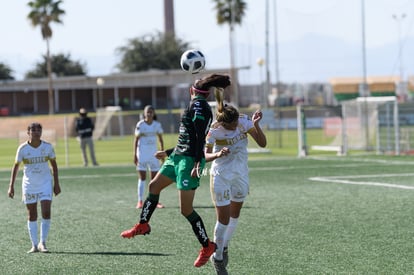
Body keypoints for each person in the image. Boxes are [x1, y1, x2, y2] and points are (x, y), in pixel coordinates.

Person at [120, 74, 231, 268]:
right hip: (178, 157)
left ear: (192, 91)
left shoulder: (198, 106)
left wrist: (198, 162)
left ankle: (207, 246)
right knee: (154, 186)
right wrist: (169, 152)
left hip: (188, 162)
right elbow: (188, 137)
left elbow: (198, 138)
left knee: (186, 210)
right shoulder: (198, 105)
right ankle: (143, 224)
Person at [204, 89, 267, 274]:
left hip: (241, 175)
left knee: (234, 216)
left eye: (235, 124)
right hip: (221, 175)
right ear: (222, 122)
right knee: (222, 220)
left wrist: (256, 125)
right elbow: (205, 155)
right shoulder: (214, 131)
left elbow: (262, 144)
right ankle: (217, 257)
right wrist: (217, 153)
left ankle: (223, 246)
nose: (234, 128)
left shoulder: (244, 121)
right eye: (230, 126)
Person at [8, 122, 61, 253]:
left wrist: (56, 184)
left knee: (46, 212)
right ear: (28, 133)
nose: (36, 132)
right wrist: (11, 186)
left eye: (39, 130)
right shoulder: (22, 149)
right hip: (29, 185)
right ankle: (34, 245)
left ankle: (43, 243)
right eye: (34, 130)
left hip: (45, 183)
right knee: (32, 215)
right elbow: (16, 167)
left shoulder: (48, 147)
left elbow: (54, 166)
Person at [134, 105, 165, 209]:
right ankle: (140, 201)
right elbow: (136, 140)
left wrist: (162, 152)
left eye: (151, 112)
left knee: (154, 180)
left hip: (154, 155)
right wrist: (135, 155)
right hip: (142, 154)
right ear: (144, 113)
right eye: (147, 112)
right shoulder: (140, 125)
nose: (149, 114)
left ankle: (155, 202)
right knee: (142, 178)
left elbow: (160, 139)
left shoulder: (157, 125)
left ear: (154, 113)